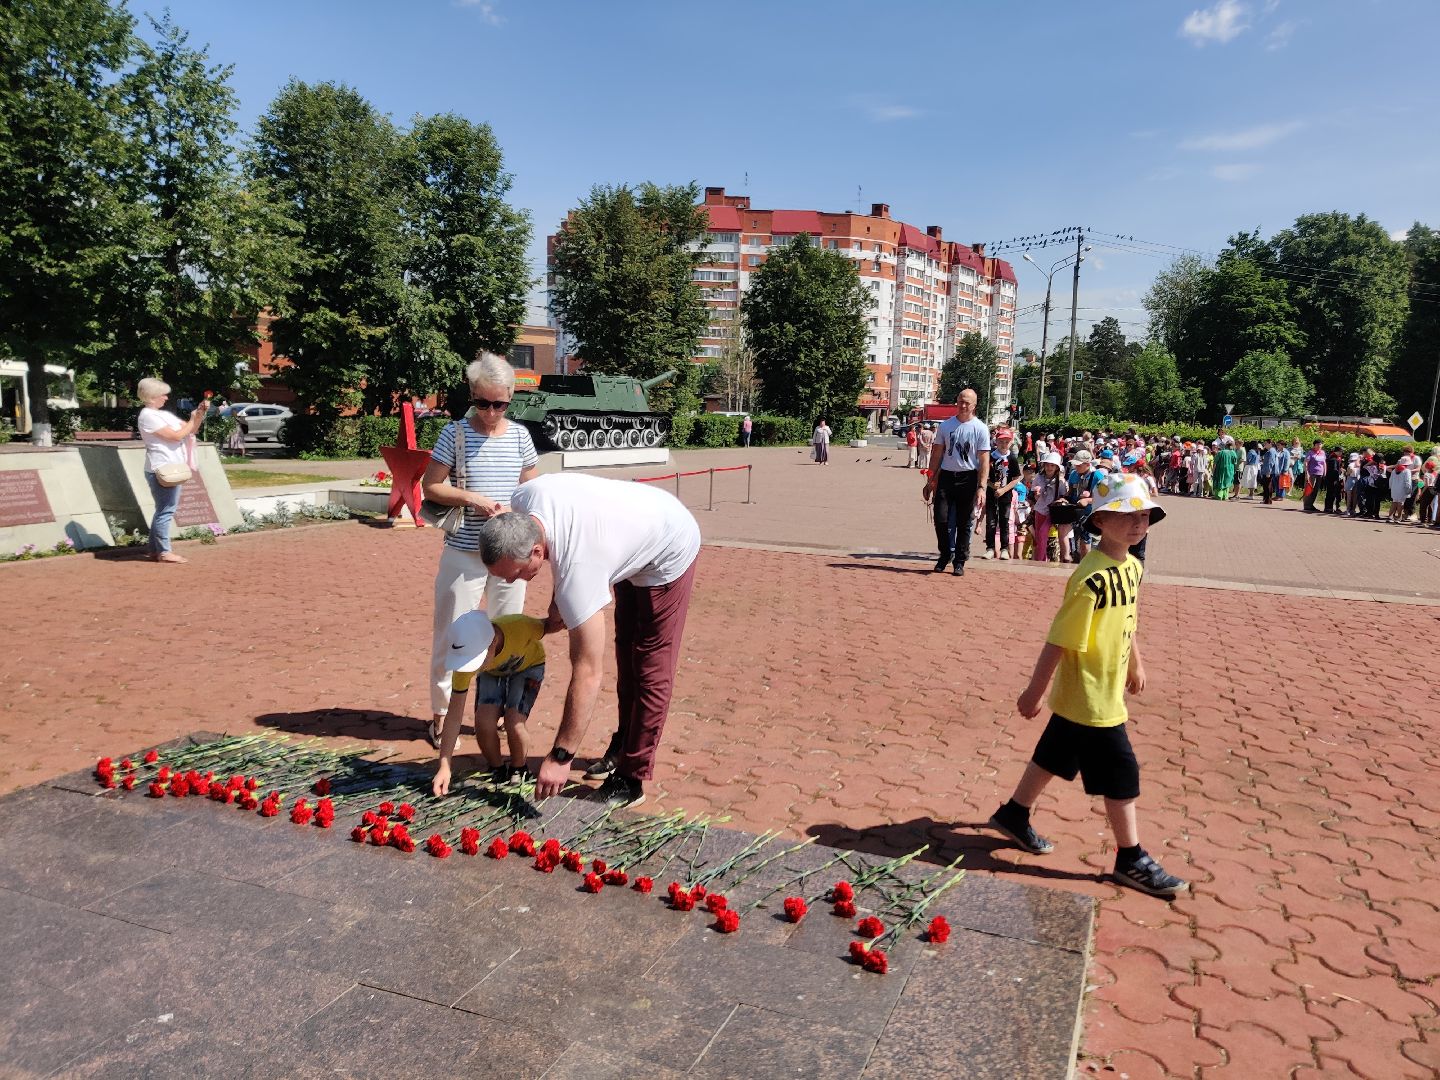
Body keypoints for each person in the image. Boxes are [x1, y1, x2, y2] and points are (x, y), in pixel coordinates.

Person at [987, 474, 1188, 898]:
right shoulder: (1089, 578)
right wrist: (1035, 690)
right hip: (1091, 692)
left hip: (1108, 685)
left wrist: (1136, 660)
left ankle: (1014, 814)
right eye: (1124, 514)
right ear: (1099, 521)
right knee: (1121, 769)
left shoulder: (1131, 567)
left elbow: (1127, 619)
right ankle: (1130, 857)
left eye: (1144, 514)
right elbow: (1059, 638)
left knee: (1057, 752)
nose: (1137, 523)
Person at [480, 472, 701, 809]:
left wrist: (560, 756)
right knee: (625, 650)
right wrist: (558, 601)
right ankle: (624, 744)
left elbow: (587, 672)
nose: (511, 582)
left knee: (649, 666)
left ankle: (632, 777)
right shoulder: (525, 499)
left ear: (537, 549)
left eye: (514, 572)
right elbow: (564, 549)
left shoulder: (579, 569)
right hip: (623, 534)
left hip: (667, 545)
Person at [421, 354, 539, 747]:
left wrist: (515, 508)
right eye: (482, 403)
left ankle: (501, 709)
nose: (490, 412)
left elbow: (530, 491)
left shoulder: (521, 436)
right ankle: (441, 713)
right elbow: (431, 486)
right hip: (466, 550)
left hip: (510, 554)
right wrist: (472, 498)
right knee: (451, 632)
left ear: (510, 399)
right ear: (472, 396)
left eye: (499, 404)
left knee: (509, 634)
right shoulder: (453, 434)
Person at [432, 609, 558, 796]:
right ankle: (496, 767)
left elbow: (549, 625)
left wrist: (564, 614)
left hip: (528, 666)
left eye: (474, 662)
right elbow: (454, 715)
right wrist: (444, 765)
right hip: (493, 672)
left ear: (492, 643)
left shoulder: (520, 627)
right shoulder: (465, 664)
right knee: (483, 723)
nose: (471, 669)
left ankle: (519, 768)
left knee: (514, 722)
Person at [135, 378, 209, 564]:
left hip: (171, 466)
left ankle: (154, 550)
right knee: (166, 511)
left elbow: (190, 429)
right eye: (163, 394)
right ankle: (164, 552)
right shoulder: (148, 415)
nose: (166, 397)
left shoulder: (163, 415)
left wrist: (199, 414)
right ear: (152, 397)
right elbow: (176, 436)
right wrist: (192, 419)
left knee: (163, 510)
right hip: (161, 468)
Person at [922, 388, 989, 577]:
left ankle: (960, 560)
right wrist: (930, 479)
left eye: (967, 402)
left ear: (974, 405)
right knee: (941, 519)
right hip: (947, 477)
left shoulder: (980, 428)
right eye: (960, 401)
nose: (963, 405)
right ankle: (945, 554)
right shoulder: (946, 426)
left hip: (968, 478)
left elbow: (984, 459)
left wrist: (981, 487)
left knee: (964, 522)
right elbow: (937, 454)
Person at [984, 427, 1021, 560]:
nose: (1003, 444)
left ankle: (1004, 548)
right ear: (996, 441)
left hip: (1006, 495)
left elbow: (1016, 479)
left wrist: (1004, 490)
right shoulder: (990, 457)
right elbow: (983, 475)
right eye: (1001, 441)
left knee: (1004, 521)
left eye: (1006, 442)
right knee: (991, 522)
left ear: (1010, 442)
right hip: (991, 494)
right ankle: (990, 548)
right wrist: (991, 485)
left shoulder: (1012, 458)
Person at [1030, 452, 1071, 563]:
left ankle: (1041, 560)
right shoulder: (1039, 477)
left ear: (1057, 467)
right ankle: (1042, 559)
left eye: (1052, 465)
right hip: (1040, 509)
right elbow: (1033, 490)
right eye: (1047, 464)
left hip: (1052, 511)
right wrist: (1036, 493)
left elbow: (1064, 495)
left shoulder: (1061, 480)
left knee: (1043, 532)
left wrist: (1061, 499)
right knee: (1039, 536)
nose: (1049, 467)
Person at [1302, 440, 1327, 512]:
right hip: (1312, 473)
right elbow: (1306, 463)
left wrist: (1325, 472)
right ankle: (1306, 505)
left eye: (1320, 444)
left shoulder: (1322, 452)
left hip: (1320, 473)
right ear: (1314, 445)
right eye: (1318, 444)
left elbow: (1324, 462)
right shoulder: (1310, 452)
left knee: (1315, 490)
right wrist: (1307, 473)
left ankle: (1311, 504)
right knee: (1309, 488)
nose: (1319, 446)